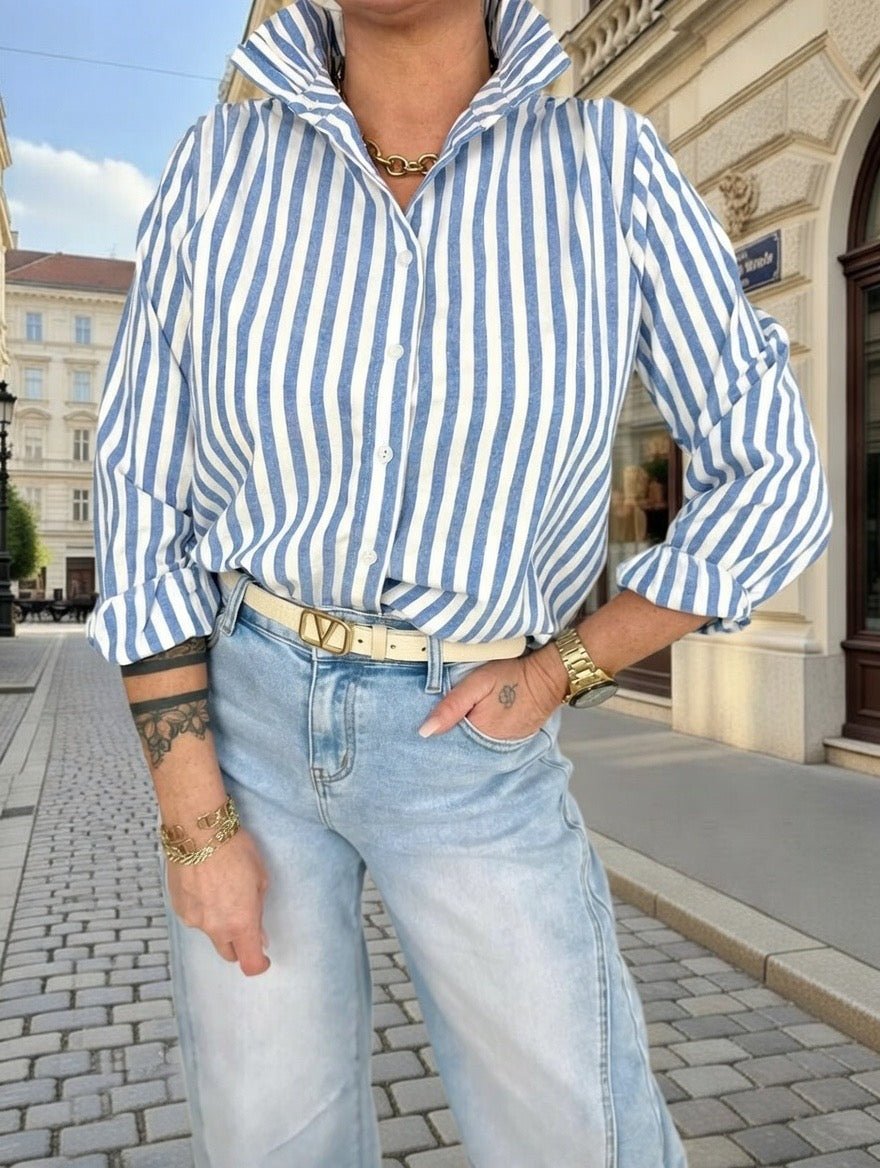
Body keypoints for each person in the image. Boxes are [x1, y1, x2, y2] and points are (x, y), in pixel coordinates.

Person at [85, 0, 832, 1163]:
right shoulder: (221, 164)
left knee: (578, 1136)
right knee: (269, 1139)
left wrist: (566, 668)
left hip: (474, 739)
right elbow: (139, 481)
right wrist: (192, 816)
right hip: (246, 726)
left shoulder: (606, 167)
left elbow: (774, 471)